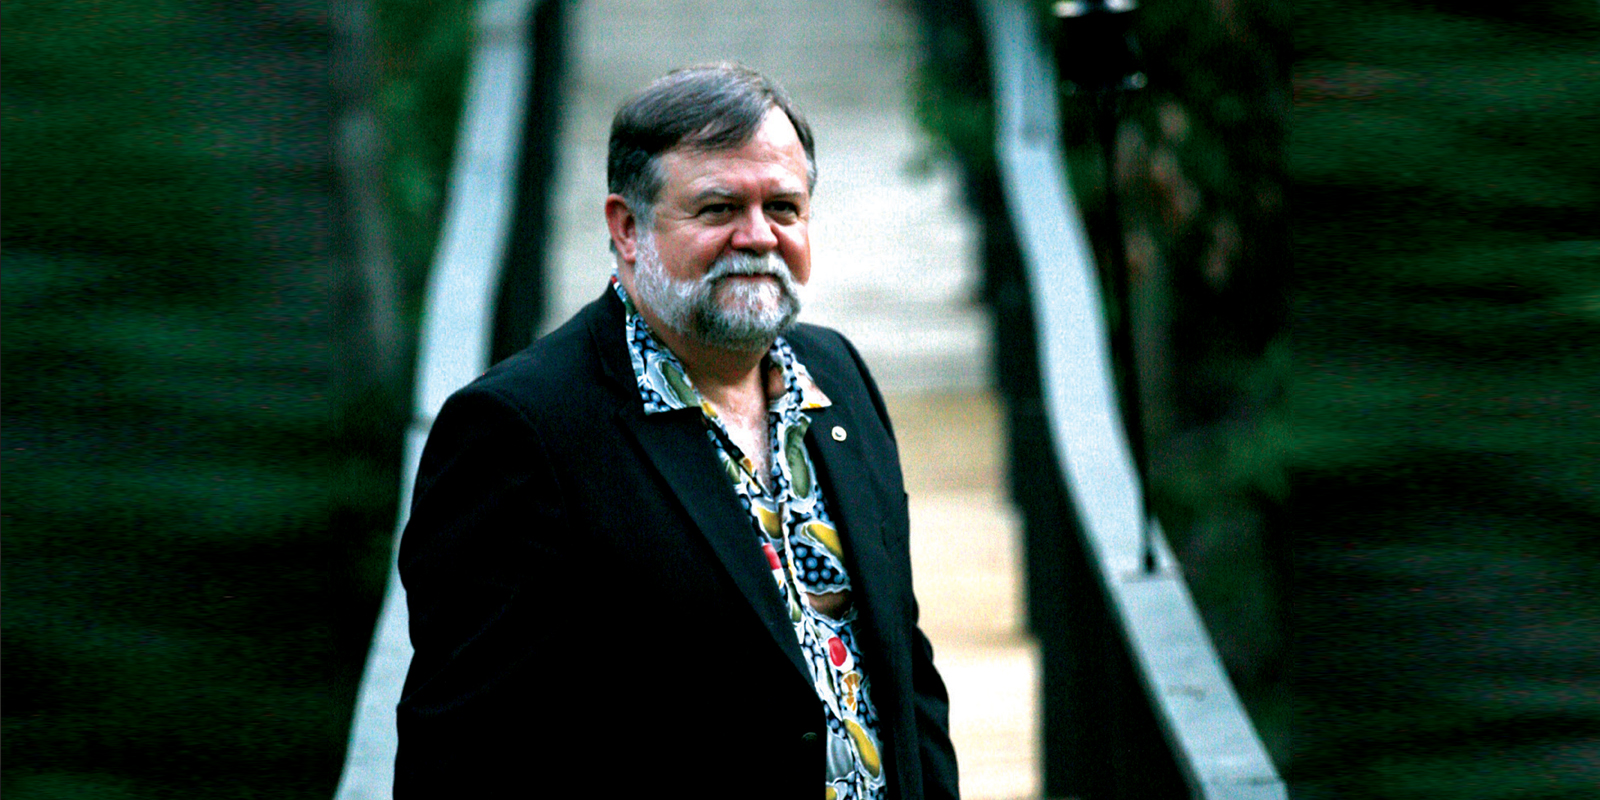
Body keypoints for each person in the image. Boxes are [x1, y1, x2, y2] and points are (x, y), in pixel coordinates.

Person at [394, 63, 960, 800]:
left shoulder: (839, 379)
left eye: (784, 208)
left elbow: (902, 665)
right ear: (627, 228)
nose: (756, 238)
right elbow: (461, 754)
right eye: (719, 208)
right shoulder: (518, 432)